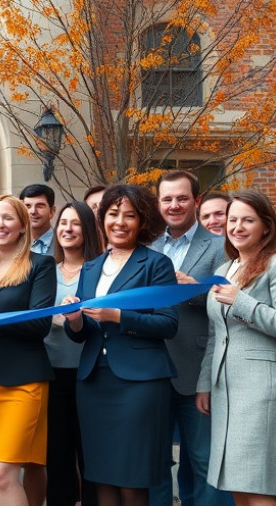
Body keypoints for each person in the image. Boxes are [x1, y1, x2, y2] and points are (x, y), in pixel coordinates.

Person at [63, 184, 179, 506]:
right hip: (93, 382)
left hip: (139, 384)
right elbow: (82, 333)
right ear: (102, 219)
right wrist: (74, 319)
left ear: (142, 222)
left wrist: (117, 316)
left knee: (132, 480)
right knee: (102, 478)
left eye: (130, 215)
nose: (120, 222)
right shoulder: (91, 267)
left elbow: (168, 324)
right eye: (113, 214)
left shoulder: (156, 264)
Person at [0, 194, 56, 506]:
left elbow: (40, 324)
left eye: (7, 218)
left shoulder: (40, 266)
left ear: (22, 226)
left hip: (22, 381)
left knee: (3, 473)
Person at [148, 171, 230, 506]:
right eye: (167, 199)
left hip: (198, 371)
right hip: (151, 370)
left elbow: (229, 300)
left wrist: (193, 290)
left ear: (196, 201)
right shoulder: (148, 247)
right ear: (158, 203)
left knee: (204, 461)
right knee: (154, 464)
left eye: (182, 198)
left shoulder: (220, 246)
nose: (174, 205)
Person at [197, 190, 276, 506]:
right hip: (225, 389)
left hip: (261, 389)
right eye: (233, 220)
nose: (237, 227)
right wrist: (205, 383)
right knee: (236, 484)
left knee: (257, 485)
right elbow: (215, 333)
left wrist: (241, 301)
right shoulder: (225, 269)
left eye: (248, 220)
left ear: (266, 226)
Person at [43, 202, 103, 506]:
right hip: (50, 372)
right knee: (57, 456)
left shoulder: (100, 271)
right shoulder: (45, 271)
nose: (67, 229)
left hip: (89, 372)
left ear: (88, 229)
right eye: (63, 223)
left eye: (76, 223)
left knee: (90, 455)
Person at [20, 184, 56, 256]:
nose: (33, 211)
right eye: (28, 206)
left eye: (40, 206)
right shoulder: (16, 245)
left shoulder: (62, 244)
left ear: (52, 211)